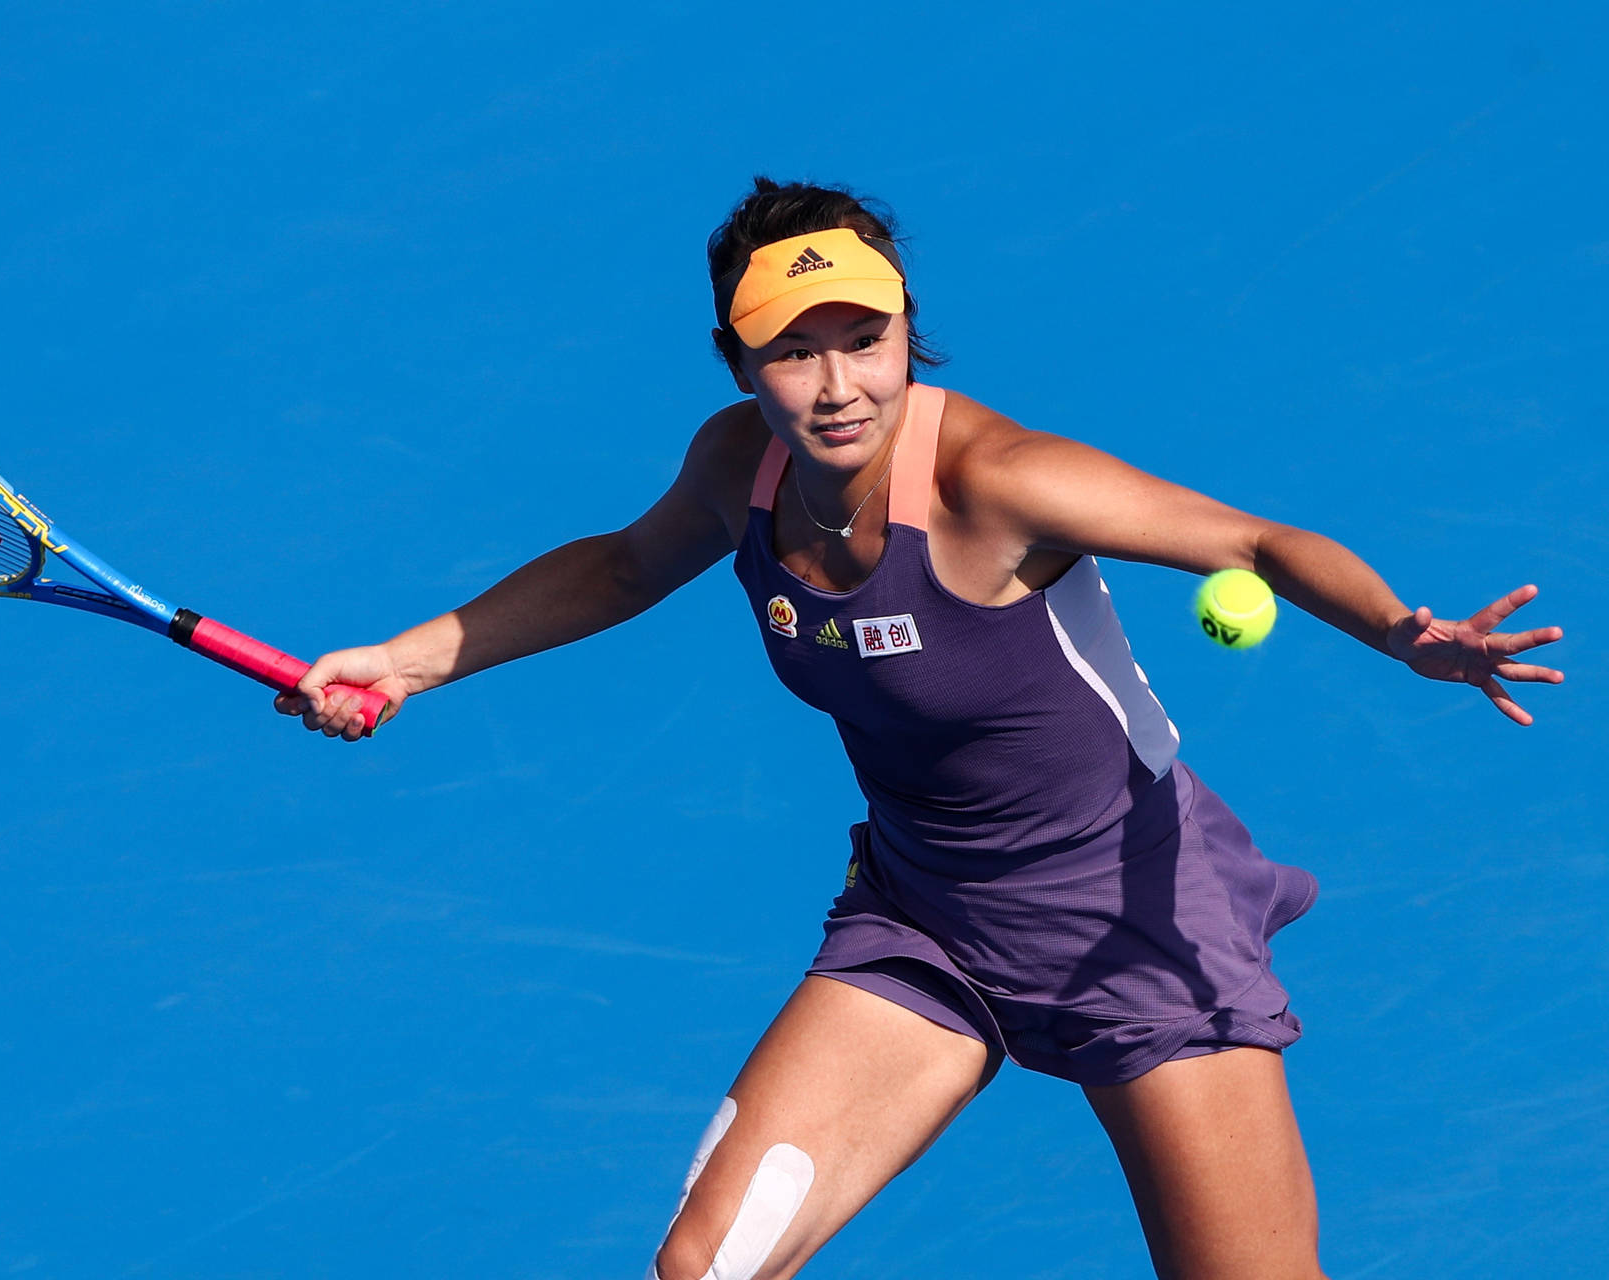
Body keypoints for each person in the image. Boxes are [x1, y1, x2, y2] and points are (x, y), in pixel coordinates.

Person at [274, 178, 1565, 1280]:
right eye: (793, 350)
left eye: (864, 338)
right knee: (702, 1267)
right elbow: (620, 568)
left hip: (1134, 922)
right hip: (927, 922)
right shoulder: (740, 468)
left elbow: (1253, 542)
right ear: (736, 360)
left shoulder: (1002, 485)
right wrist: (401, 663)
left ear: (907, 335)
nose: (836, 385)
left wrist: (1406, 632)